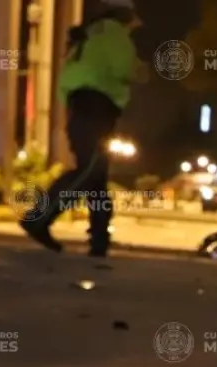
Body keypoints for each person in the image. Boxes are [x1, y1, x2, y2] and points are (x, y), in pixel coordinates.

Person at [20, 0, 143, 256]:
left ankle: (99, 241)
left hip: (79, 106)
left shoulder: (86, 36)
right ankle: (39, 218)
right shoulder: (115, 35)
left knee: (97, 178)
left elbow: (67, 78)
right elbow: (125, 70)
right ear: (126, 16)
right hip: (97, 108)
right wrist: (141, 71)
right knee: (90, 170)